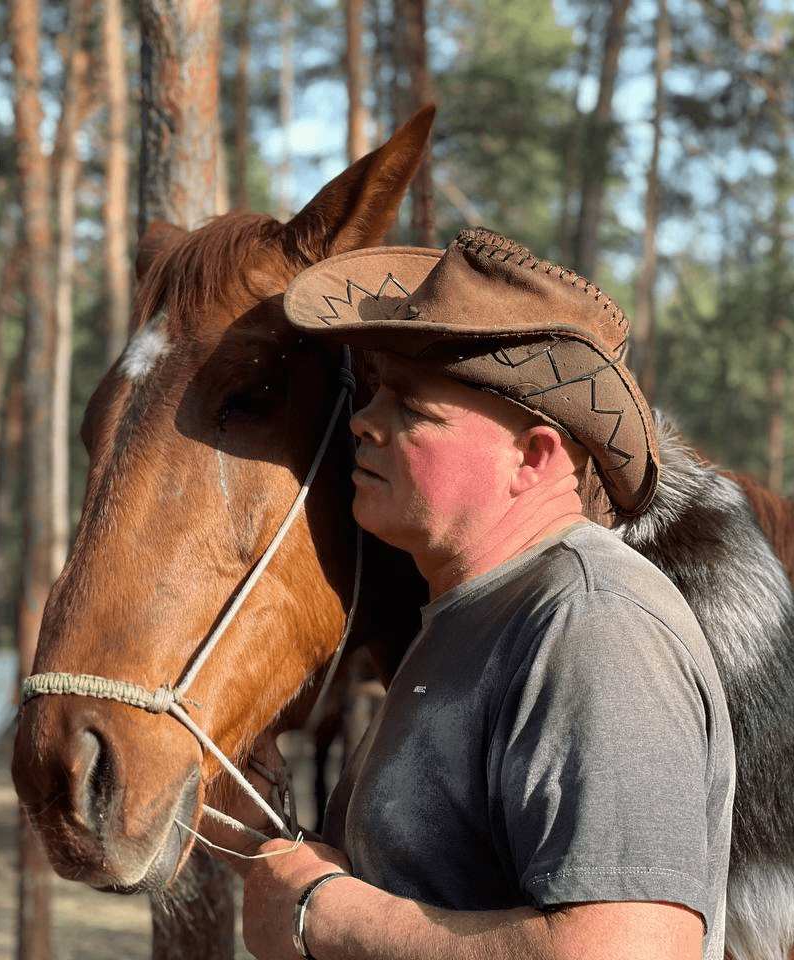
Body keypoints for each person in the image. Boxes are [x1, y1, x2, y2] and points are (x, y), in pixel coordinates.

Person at [211, 228, 735, 960]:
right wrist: (274, 845)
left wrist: (320, 918)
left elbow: (629, 950)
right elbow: (431, 889)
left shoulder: (592, 622)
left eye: (412, 410)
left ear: (533, 457)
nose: (365, 422)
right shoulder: (474, 616)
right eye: (374, 395)